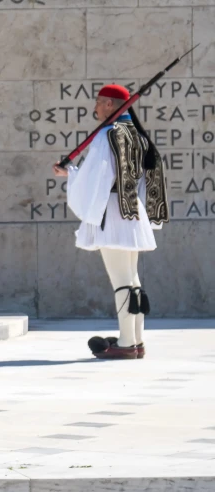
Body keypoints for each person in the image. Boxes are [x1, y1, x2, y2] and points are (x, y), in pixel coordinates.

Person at [53, 84, 168, 359]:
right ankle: (136, 341)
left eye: (98, 102)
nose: (95, 108)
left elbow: (96, 177)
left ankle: (126, 344)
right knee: (132, 279)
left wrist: (70, 173)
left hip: (113, 213)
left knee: (121, 281)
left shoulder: (107, 135)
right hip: (133, 212)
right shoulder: (138, 135)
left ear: (108, 104)